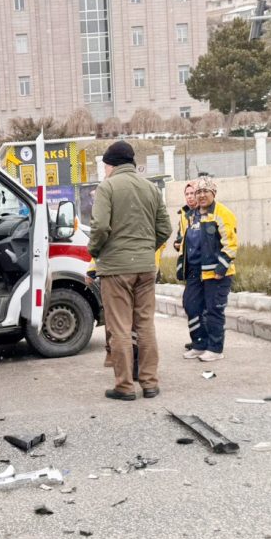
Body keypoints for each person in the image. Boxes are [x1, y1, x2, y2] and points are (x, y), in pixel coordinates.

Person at [88, 141, 171, 401]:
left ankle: (124, 386)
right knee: (145, 325)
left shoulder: (108, 187)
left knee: (120, 328)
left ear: (110, 165)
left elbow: (100, 226)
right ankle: (150, 383)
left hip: (116, 269)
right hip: (146, 268)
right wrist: (147, 248)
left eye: (104, 167)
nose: (104, 171)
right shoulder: (150, 188)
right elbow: (165, 229)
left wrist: (96, 251)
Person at [180, 176, 238, 362]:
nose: (202, 195)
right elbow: (187, 243)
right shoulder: (192, 215)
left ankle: (215, 348)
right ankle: (199, 344)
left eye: (206, 191)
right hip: (195, 272)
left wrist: (221, 268)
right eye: (199, 192)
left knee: (214, 310)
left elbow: (231, 244)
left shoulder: (222, 213)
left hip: (216, 273)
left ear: (213, 193)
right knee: (191, 305)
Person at [174, 179, 201, 350]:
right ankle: (197, 339)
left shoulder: (205, 213)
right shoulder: (184, 216)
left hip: (203, 266)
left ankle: (204, 341)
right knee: (190, 303)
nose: (190, 197)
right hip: (189, 266)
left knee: (199, 305)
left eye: (193, 193)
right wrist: (178, 243)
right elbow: (179, 237)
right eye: (187, 194)